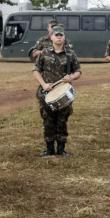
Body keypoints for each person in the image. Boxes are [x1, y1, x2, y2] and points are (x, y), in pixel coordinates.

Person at [33, 24, 81, 157]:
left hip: (63, 93)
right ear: (52, 37)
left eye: (61, 35)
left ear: (64, 37)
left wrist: (71, 77)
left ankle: (61, 149)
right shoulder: (44, 53)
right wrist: (43, 84)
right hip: (46, 93)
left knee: (62, 120)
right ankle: (49, 149)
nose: (59, 37)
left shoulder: (70, 54)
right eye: (56, 35)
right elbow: (36, 70)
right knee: (47, 120)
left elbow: (78, 71)